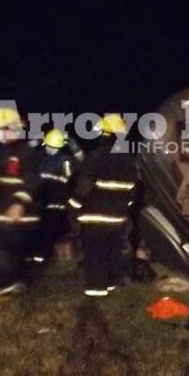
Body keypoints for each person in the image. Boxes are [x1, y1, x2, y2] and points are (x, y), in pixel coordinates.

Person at [0, 108, 42, 300]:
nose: (2, 133)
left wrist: (19, 203)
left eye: (6, 128)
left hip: (16, 213)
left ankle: (2, 287)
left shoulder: (27, 152)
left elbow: (32, 180)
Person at [70, 113, 139, 297]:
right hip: (117, 217)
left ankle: (96, 290)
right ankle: (112, 284)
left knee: (95, 253)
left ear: (105, 134)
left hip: (95, 216)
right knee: (113, 253)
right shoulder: (129, 160)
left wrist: (74, 206)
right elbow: (132, 193)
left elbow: (85, 185)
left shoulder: (97, 156)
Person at [38, 129, 76, 259]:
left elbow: (68, 176)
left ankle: (48, 256)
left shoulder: (64, 160)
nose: (47, 148)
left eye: (49, 146)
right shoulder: (42, 158)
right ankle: (44, 255)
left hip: (55, 199)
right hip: (44, 199)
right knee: (45, 227)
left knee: (52, 228)